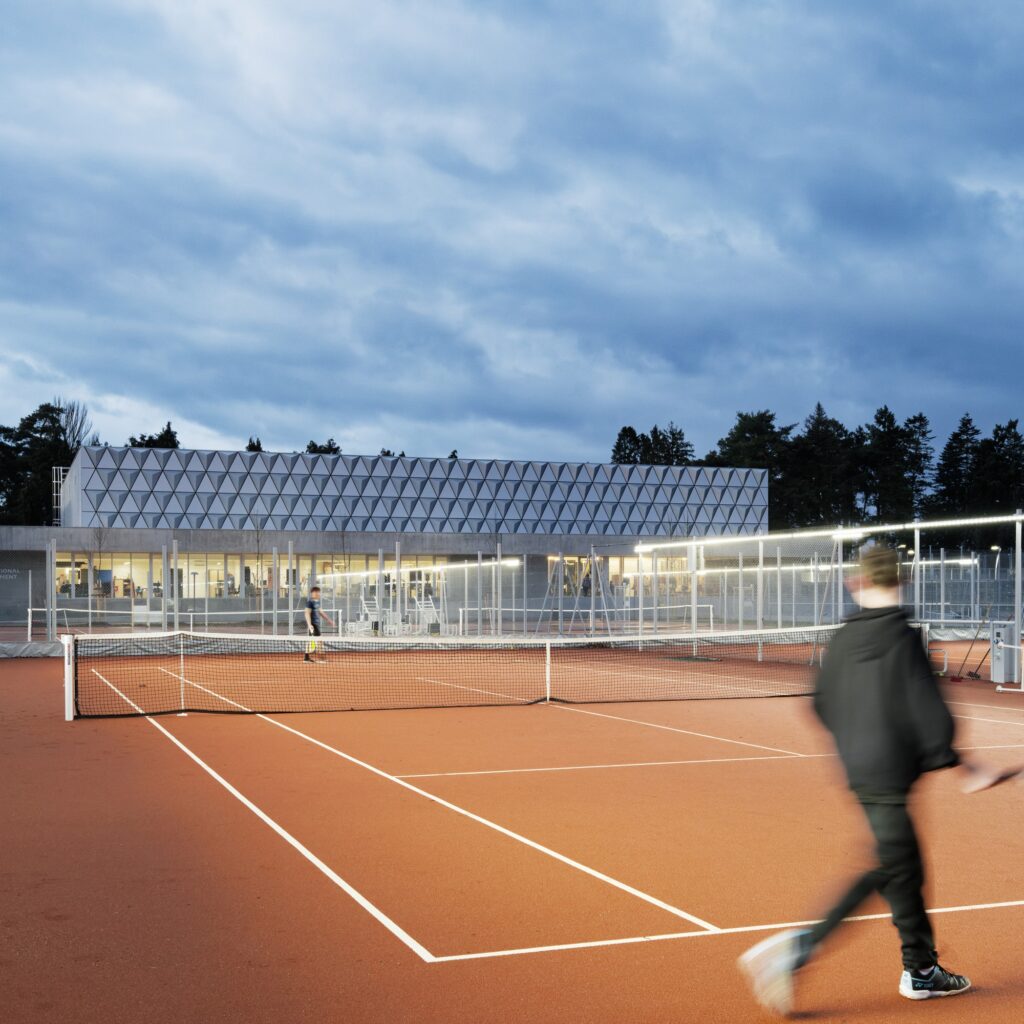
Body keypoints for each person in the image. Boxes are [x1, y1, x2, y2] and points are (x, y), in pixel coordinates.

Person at [738, 545, 1002, 1015]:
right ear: (901, 581)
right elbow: (929, 711)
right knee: (889, 864)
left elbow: (819, 702)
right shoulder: (903, 637)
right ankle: (797, 950)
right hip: (889, 773)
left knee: (905, 863)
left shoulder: (842, 639)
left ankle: (922, 970)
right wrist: (963, 767)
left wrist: (856, 740)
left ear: (854, 582)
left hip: (860, 770)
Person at [303, 584, 334, 663]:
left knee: (312, 641)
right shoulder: (310, 602)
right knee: (319, 641)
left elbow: (321, 612)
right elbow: (307, 613)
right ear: (312, 593)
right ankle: (321, 658)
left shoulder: (317, 602)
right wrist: (310, 625)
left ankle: (307, 658)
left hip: (316, 624)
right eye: (315, 592)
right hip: (313, 625)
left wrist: (328, 620)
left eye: (318, 592)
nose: (317, 594)